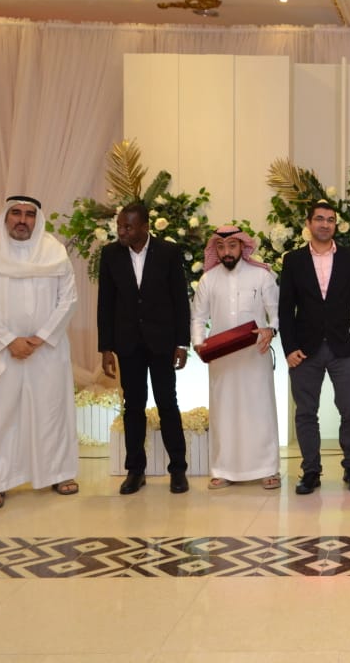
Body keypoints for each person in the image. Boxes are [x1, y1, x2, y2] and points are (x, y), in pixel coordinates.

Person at [0, 195, 78, 509]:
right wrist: (8, 340)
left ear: (37, 220)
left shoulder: (55, 253)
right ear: (5, 217)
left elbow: (68, 299)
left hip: (47, 351)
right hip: (2, 352)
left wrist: (40, 337)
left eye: (29, 214)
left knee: (51, 412)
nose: (22, 220)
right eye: (16, 213)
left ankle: (58, 473)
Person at [279, 200, 350, 494]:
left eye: (330, 220)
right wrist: (289, 347)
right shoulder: (293, 260)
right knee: (306, 412)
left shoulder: (349, 258)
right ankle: (311, 471)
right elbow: (286, 308)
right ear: (308, 223)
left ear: (336, 225)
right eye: (319, 219)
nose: (324, 224)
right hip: (304, 349)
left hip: (342, 347)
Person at [98, 202, 191, 495]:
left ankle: (178, 470)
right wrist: (106, 347)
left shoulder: (168, 252)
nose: (121, 232)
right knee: (133, 407)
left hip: (162, 342)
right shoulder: (110, 254)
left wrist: (182, 343)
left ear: (145, 227)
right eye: (119, 226)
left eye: (128, 226)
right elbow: (105, 303)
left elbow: (180, 300)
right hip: (128, 344)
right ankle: (135, 471)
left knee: (168, 404)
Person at [191, 225, 281, 490]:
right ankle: (223, 469)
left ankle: (268, 469)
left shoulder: (261, 276)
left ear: (243, 246)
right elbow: (198, 317)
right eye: (221, 247)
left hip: (255, 354)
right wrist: (198, 343)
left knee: (260, 410)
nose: (226, 252)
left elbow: (276, 312)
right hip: (222, 358)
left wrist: (271, 329)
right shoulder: (208, 280)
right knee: (224, 412)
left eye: (232, 245)